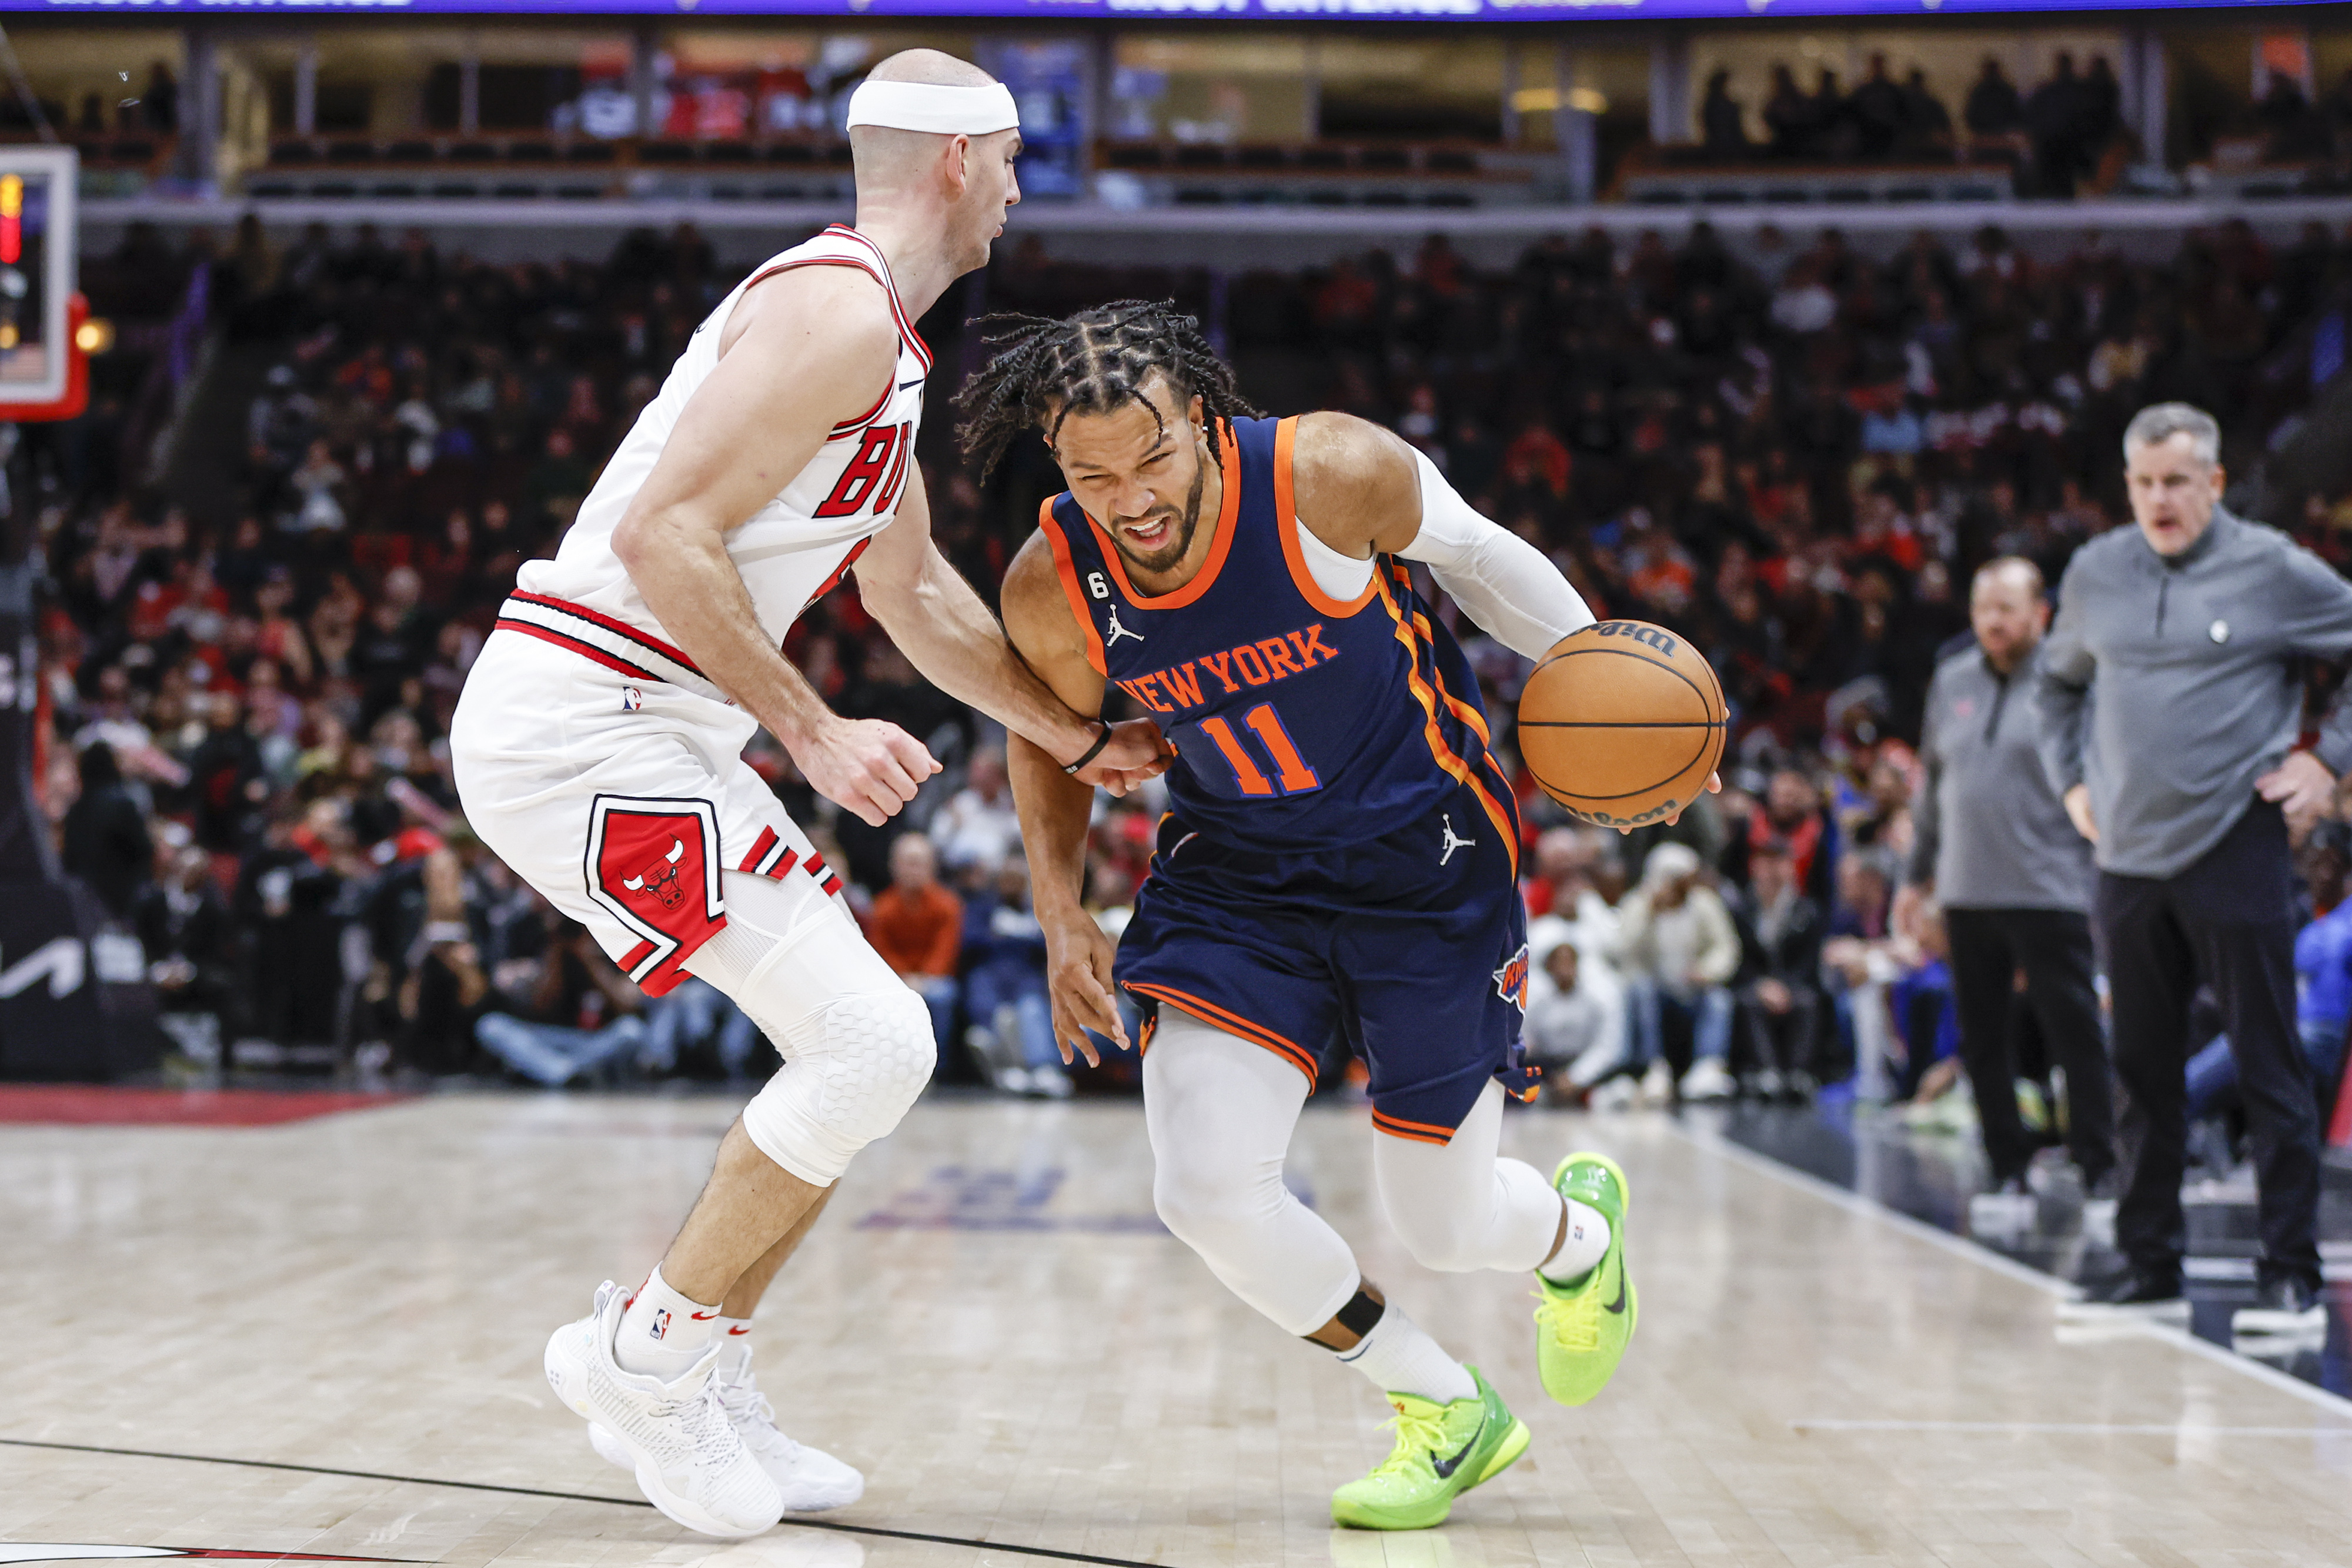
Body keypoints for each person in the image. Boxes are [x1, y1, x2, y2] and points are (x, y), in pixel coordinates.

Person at [448, 53, 1165, 1540]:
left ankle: (688, 1362)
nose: (1026, 191)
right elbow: (661, 535)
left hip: (657, 726)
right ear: (962, 163)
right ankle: (645, 1362)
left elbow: (911, 595)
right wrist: (816, 733)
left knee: (857, 1050)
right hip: (581, 723)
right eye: (1019, 162)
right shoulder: (832, 307)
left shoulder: (881, 346)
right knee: (871, 1037)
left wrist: (1072, 737)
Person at [963, 300, 1664, 1530]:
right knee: (1202, 1186)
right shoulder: (1049, 582)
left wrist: (1618, 695)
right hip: (1241, 879)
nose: (1127, 496)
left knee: (1442, 1224)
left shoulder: (1326, 474)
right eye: (1089, 473)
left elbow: (1484, 560)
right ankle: (1441, 1405)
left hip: (1426, 869)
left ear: (1204, 421)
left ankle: (1569, 1236)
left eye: (1151, 457)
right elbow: (1046, 734)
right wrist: (1058, 906)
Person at [2036, 403, 2347, 1335]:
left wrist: (2327, 760)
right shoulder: (2095, 571)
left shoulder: (2275, 568)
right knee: (2138, 1069)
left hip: (2235, 844)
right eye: (2144, 482)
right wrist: (2071, 786)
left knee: (2267, 1064)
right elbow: (2057, 684)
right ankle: (2149, 1264)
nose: (2160, 498)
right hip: (2126, 856)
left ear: (2214, 482)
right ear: (2126, 485)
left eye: (2179, 480)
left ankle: (2290, 1274)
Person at [1901, 557, 2114, 1213]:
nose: (1993, 621)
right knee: (1982, 1037)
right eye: (1982, 608)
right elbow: (1933, 787)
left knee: (2073, 1032)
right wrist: (1915, 877)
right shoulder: (1953, 678)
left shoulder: (2071, 681)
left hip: (2050, 888)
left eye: (2006, 609)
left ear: (2039, 615)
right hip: (1966, 890)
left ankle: (2100, 1169)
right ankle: (2007, 1170)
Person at [1616, 842, 1740, 1102]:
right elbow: (1625, 949)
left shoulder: (1705, 903)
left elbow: (1726, 948)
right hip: (1657, 993)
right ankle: (1655, 1068)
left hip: (1693, 990)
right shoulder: (1638, 904)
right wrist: (1650, 912)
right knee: (1641, 990)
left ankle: (1708, 1067)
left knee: (1719, 999)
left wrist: (1706, 971)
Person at [866, 831, 963, 1062]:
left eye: (919, 863)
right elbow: (881, 952)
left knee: (943, 996)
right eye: (908, 863)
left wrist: (924, 978)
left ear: (932, 866)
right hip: (896, 980)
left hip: (934, 980)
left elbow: (945, 951)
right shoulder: (883, 908)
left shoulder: (947, 905)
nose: (913, 870)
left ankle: (935, 1066)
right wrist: (904, 978)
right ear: (895, 866)